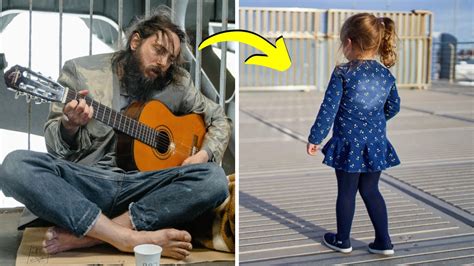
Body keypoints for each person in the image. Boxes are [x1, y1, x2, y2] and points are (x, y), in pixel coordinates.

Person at [0, 7, 231, 260]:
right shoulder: (81, 72)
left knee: (215, 179)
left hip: (145, 189)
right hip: (89, 183)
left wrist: (204, 153)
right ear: (135, 42)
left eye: (171, 58)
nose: (164, 63)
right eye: (159, 50)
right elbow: (55, 148)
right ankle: (127, 238)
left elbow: (219, 118)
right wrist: (70, 125)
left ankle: (93, 236)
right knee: (14, 165)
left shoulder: (177, 83)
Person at [306, 13, 400, 256]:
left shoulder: (343, 73)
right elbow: (393, 106)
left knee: (346, 192)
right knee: (371, 190)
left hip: (348, 143)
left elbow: (328, 110)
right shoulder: (385, 75)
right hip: (375, 143)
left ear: (349, 42)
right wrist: (375, 122)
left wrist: (315, 138)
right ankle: (384, 242)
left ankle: (343, 240)